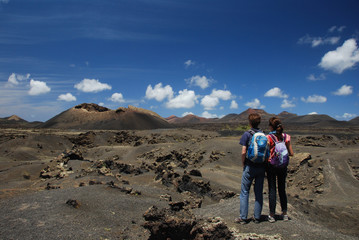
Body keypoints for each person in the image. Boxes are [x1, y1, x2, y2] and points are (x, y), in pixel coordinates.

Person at [235, 113, 268, 224]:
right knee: (258, 192)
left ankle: (243, 218)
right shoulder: (263, 134)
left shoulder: (247, 134)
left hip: (250, 166)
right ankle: (257, 217)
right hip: (261, 167)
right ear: (259, 122)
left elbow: (244, 151)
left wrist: (243, 164)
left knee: (245, 192)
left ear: (249, 123)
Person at [266, 117, 294, 223]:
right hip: (283, 166)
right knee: (282, 189)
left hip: (272, 166)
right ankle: (285, 214)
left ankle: (272, 215)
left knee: (272, 189)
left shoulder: (269, 137)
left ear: (271, 126)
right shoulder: (286, 137)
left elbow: (267, 153)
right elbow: (291, 153)